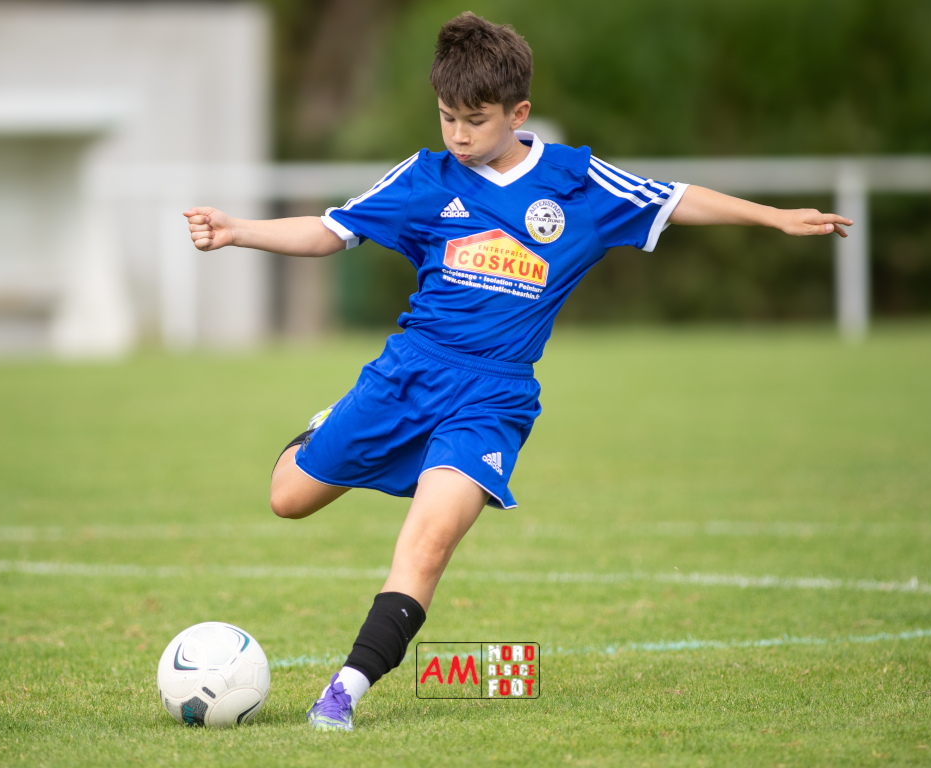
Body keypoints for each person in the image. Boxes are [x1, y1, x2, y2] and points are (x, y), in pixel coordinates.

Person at [183, 11, 851, 731]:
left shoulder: (576, 183)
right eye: (447, 117)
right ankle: (327, 425)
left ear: (519, 113)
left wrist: (773, 217)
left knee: (428, 543)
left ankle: (343, 692)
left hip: (493, 399)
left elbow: (675, 196)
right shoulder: (425, 177)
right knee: (288, 499)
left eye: (476, 120)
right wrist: (238, 231)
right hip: (409, 375)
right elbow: (330, 230)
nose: (459, 134)